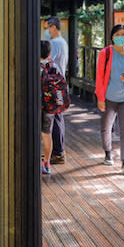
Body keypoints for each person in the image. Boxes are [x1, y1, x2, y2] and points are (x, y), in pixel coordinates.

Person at [95, 24, 124, 175]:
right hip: (108, 97)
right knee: (106, 128)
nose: (121, 37)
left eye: (123, 34)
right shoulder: (105, 53)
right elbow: (100, 77)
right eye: (117, 34)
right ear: (112, 37)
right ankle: (108, 152)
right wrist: (100, 98)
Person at [43, 16, 68, 164]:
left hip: (53, 86)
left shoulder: (55, 43)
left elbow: (45, 59)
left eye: (46, 28)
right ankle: (58, 152)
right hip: (59, 84)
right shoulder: (62, 42)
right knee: (58, 118)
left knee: (54, 119)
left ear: (53, 27)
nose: (46, 31)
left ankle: (57, 153)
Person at [40, 40, 55, 175]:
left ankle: (35, 162)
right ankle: (47, 163)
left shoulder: (34, 67)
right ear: (49, 53)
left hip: (36, 105)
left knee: (34, 134)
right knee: (47, 135)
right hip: (50, 106)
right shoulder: (53, 67)